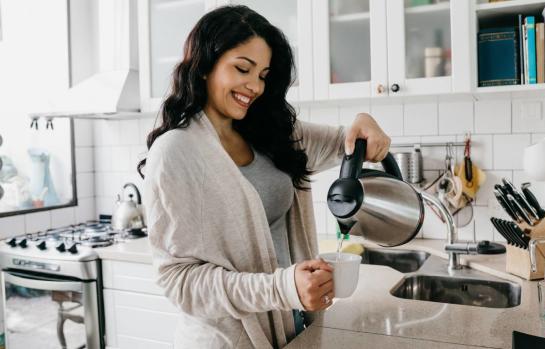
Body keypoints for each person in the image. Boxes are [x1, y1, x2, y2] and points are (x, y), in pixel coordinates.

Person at [138, 5, 391, 349]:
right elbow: (180, 283)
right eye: (243, 68)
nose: (255, 86)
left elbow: (348, 141)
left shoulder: (269, 133)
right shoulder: (175, 151)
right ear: (203, 67)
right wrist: (283, 288)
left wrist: (365, 119)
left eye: (263, 75)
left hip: (293, 327)